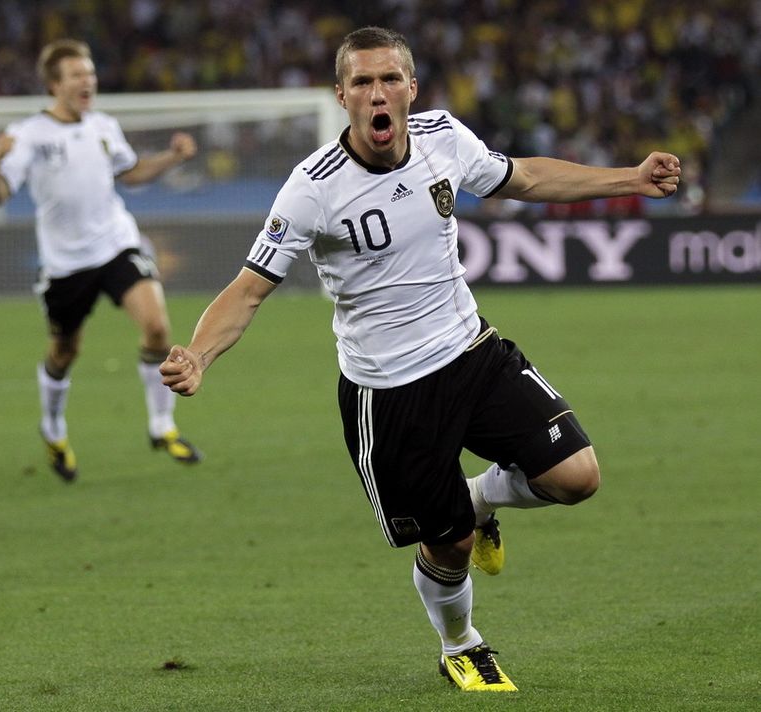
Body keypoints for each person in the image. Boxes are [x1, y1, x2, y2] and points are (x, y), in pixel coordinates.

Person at [160, 26, 680, 691]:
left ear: (410, 88)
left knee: (577, 477)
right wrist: (201, 355)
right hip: (391, 391)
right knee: (450, 544)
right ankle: (461, 641)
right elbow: (249, 288)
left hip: (471, 351)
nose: (377, 93)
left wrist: (628, 177)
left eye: (388, 79)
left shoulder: (444, 138)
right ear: (341, 95)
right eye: (361, 82)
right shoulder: (312, 189)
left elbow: (524, 178)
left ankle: (481, 497)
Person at [0, 39, 202, 482]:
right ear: (54, 85)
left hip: (116, 244)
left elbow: (131, 172)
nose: (89, 82)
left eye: (90, 73)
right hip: (65, 264)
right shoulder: (28, 135)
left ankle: (162, 425)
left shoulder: (104, 126)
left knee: (158, 327)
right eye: (77, 75)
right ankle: (53, 427)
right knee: (65, 351)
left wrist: (172, 158)